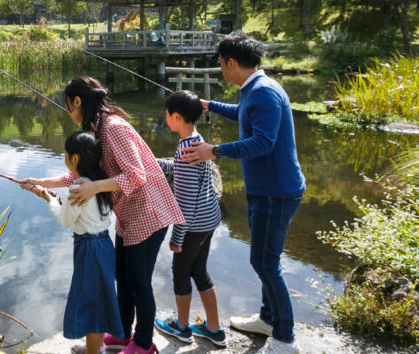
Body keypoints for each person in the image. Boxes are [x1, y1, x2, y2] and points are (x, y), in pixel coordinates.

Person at [19, 76, 184, 354]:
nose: (67, 111)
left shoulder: (114, 127)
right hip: (127, 216)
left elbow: (136, 175)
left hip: (148, 213)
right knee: (122, 275)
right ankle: (121, 333)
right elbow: (80, 174)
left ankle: (144, 344)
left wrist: (94, 187)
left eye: (67, 106)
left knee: (139, 283)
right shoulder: (96, 128)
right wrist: (43, 182)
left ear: (78, 101)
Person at [180, 33, 306, 354]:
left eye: (221, 64)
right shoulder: (255, 90)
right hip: (268, 190)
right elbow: (243, 114)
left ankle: (285, 339)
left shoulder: (263, 93)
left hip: (275, 192)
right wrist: (211, 106)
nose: (221, 69)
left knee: (265, 263)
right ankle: (267, 319)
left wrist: (215, 150)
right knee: (266, 259)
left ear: (231, 63)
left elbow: (263, 143)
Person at [23, 131, 123, 354]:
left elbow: (64, 219)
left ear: (75, 158)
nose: (65, 158)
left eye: (66, 154)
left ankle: (95, 351)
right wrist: (51, 195)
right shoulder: (99, 181)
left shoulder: (78, 187)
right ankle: (95, 348)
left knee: (92, 301)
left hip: (89, 250)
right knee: (97, 296)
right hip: (104, 244)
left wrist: (48, 198)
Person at [152, 90, 226, 348]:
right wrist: (155, 163)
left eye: (166, 115)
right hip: (210, 219)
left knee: (181, 272)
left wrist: (177, 238)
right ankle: (214, 328)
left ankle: (182, 327)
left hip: (193, 225)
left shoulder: (185, 151)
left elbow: (184, 202)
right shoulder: (196, 141)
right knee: (200, 271)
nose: (165, 119)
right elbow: (181, 168)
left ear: (176, 116)